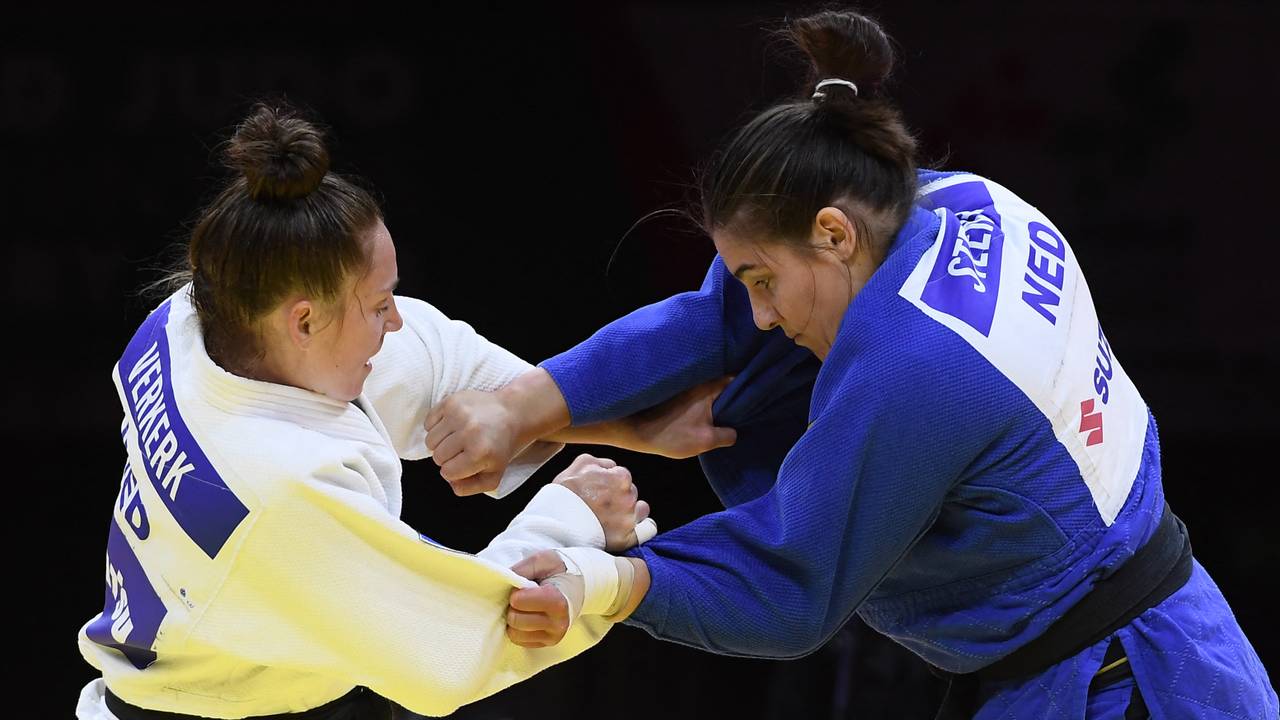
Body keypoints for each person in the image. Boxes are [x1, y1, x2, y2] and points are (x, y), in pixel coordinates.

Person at [423, 10, 1278, 719]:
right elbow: (710, 319)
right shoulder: (960, 201)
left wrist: (602, 580)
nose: (760, 311)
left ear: (832, 232)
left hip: (1128, 682)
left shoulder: (921, 366)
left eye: (763, 279)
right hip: (1118, 647)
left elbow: (790, 585)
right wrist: (523, 404)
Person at [75, 102, 656, 720]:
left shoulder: (192, 320)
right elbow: (453, 644)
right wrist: (574, 521)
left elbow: (433, 358)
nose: (395, 320)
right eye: (380, 305)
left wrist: (582, 417)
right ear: (303, 321)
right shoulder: (277, 487)